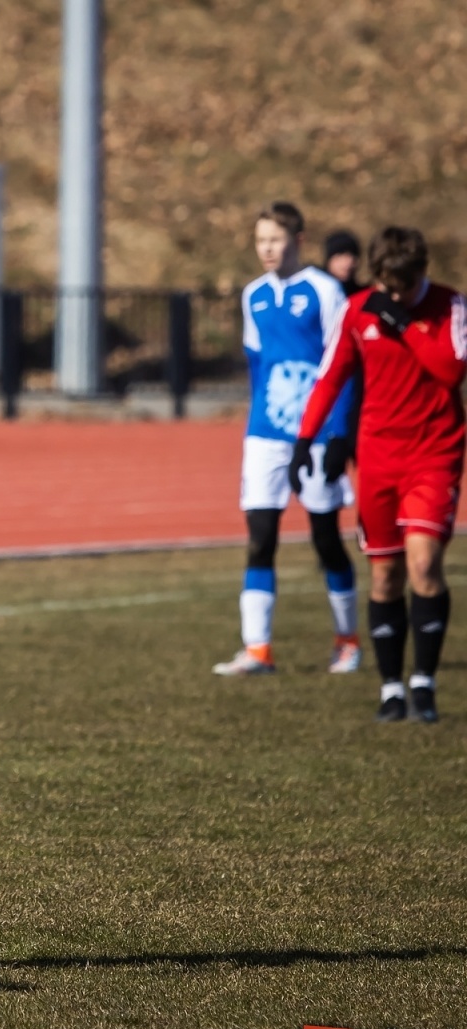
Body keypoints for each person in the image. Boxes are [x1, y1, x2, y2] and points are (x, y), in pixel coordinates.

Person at [294, 226, 467, 723]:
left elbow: (453, 371)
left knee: (423, 563)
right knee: (386, 573)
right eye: (387, 287)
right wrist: (306, 439)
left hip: (434, 455)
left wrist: (407, 325)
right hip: (377, 459)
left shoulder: (449, 305)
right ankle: (391, 688)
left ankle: (424, 683)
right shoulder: (358, 310)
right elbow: (331, 374)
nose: (395, 296)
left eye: (404, 287)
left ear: (420, 273)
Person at [214, 202, 360, 677]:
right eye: (260, 241)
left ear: (297, 239)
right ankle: (257, 650)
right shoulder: (253, 295)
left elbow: (345, 364)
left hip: (317, 434)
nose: (267, 249)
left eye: (275, 240)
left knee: (324, 538)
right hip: (265, 436)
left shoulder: (324, 290)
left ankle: (347, 640)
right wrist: (259, 422)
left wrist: (339, 433)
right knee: (260, 540)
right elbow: (257, 364)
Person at [324, 230, 364, 297]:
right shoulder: (319, 293)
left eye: (349, 256)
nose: (345, 263)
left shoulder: (363, 295)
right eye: (339, 257)